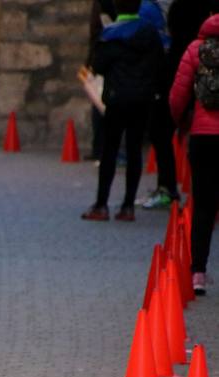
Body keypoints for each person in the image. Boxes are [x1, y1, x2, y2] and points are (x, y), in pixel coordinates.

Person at [81, 0, 163, 222]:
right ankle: (128, 206)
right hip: (142, 98)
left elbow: (98, 67)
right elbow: (159, 64)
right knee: (135, 150)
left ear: (116, 8)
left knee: (110, 150)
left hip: (116, 98)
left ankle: (101, 204)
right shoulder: (149, 33)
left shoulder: (109, 34)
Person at [169, 1, 219, 295]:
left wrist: (181, 122)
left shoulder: (194, 50)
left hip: (202, 136)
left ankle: (198, 272)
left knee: (203, 205)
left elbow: (178, 93)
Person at [138, 0, 181, 209]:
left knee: (159, 132)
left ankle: (168, 188)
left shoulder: (149, 9)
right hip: (171, 72)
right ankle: (167, 187)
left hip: (162, 76)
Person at [87, 0, 117, 162]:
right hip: (103, 61)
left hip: (103, 61)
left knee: (101, 106)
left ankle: (101, 149)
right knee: (100, 104)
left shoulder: (103, 6)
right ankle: (101, 149)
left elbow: (95, 35)